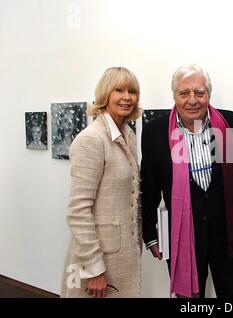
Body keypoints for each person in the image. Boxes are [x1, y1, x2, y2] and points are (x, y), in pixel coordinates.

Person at [141, 64, 233, 298]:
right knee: (189, 298)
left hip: (228, 232)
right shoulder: (155, 130)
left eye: (199, 93)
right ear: (174, 95)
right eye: (184, 93)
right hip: (182, 233)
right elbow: (149, 187)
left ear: (208, 95)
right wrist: (150, 234)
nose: (192, 100)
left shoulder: (232, 122)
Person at [61, 67, 143, 298]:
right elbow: (78, 211)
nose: (127, 97)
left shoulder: (128, 135)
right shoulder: (90, 139)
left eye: (132, 91)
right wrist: (93, 269)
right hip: (98, 259)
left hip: (123, 253)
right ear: (105, 94)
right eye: (119, 90)